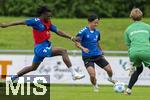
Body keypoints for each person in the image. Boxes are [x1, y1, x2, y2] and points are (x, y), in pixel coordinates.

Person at [0, 6, 85, 81]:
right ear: (43, 14)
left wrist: (71, 38)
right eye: (48, 16)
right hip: (40, 48)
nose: (49, 18)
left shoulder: (48, 22)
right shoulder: (35, 21)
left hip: (43, 47)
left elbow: (58, 31)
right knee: (63, 51)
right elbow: (21, 22)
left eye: (50, 16)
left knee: (33, 67)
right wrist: (6, 25)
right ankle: (74, 74)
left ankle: (12, 78)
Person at [74, 14, 116, 92]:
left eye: (97, 23)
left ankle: (110, 79)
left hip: (97, 55)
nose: (96, 24)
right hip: (87, 57)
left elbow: (97, 42)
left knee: (109, 70)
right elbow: (76, 43)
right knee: (92, 75)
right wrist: (83, 48)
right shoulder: (83, 32)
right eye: (95, 22)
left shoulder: (97, 32)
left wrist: (101, 50)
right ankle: (95, 85)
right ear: (89, 22)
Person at [124, 8, 150, 95]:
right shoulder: (148, 27)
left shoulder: (128, 29)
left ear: (131, 17)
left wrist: (131, 60)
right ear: (142, 16)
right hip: (146, 51)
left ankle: (128, 89)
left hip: (134, 53)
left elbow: (128, 45)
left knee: (139, 69)